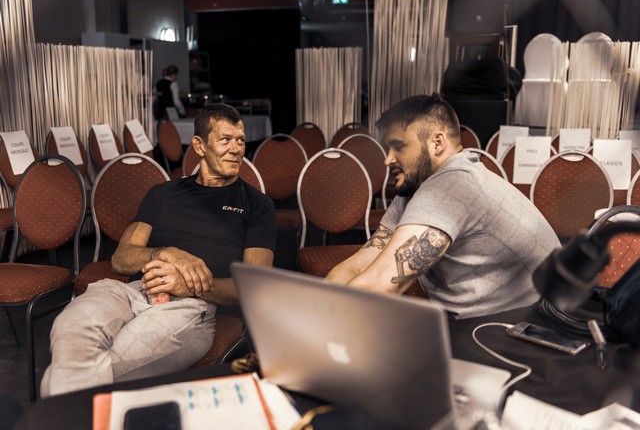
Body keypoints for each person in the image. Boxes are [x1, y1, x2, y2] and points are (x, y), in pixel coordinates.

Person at [41, 103, 277, 396]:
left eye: (240, 140)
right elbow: (121, 259)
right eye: (225, 139)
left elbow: (254, 287)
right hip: (132, 291)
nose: (236, 149)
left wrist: (190, 285)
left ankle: (53, 410)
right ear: (199, 145)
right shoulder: (163, 193)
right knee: (69, 327)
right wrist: (165, 252)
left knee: (90, 367)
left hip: (189, 306)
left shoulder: (257, 205)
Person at [326, 94, 560, 319]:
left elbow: (381, 284)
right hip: (482, 319)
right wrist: (322, 301)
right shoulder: (416, 186)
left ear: (437, 142)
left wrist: (316, 319)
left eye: (399, 147)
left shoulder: (451, 186)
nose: (388, 159)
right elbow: (360, 264)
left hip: (526, 322)